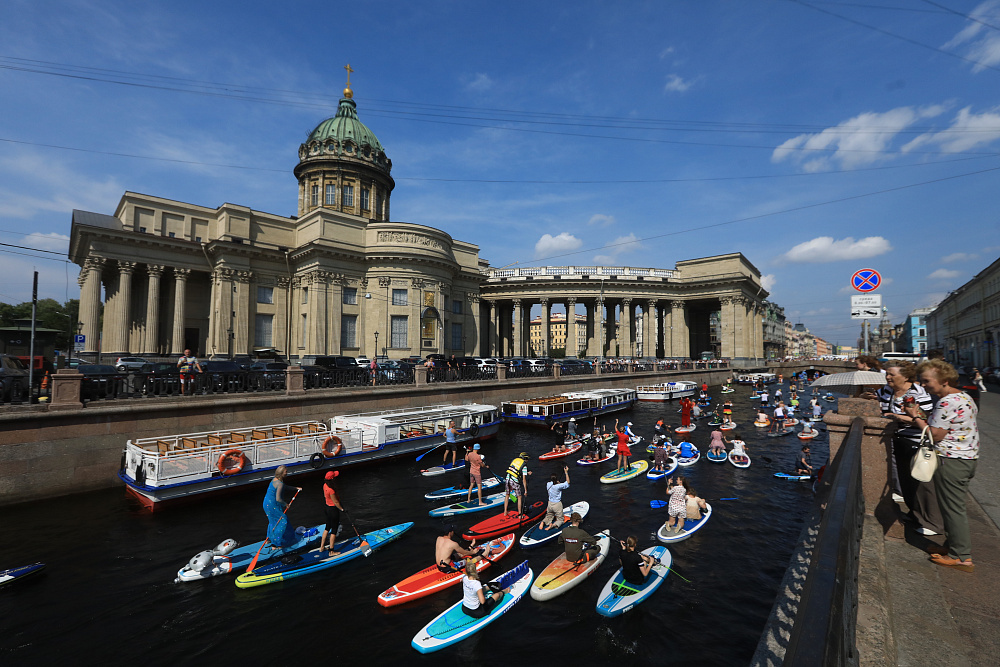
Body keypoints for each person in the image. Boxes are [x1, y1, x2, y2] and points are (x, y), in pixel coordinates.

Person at [904, 359, 979, 572]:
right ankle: (953, 546)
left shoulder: (947, 402)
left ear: (944, 380)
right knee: (952, 506)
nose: (923, 384)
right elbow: (949, 425)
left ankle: (962, 557)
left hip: (951, 459)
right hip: (967, 457)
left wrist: (914, 416)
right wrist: (923, 416)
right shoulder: (964, 396)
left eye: (926, 381)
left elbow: (935, 434)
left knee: (953, 509)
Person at [876, 361, 943, 534]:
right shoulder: (886, 391)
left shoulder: (918, 392)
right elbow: (879, 407)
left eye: (892, 374)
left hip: (915, 442)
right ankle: (915, 516)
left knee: (922, 483)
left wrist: (897, 417)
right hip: (897, 440)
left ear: (906, 376)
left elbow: (925, 418)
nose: (888, 377)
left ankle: (932, 523)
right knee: (906, 482)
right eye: (887, 373)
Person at [263, 465, 301, 548]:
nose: (287, 473)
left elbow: (284, 487)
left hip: (266, 503)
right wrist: (286, 504)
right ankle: (276, 544)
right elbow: (278, 499)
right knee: (282, 521)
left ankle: (268, 539)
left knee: (273, 521)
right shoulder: (279, 483)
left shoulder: (275, 480)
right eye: (285, 472)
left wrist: (295, 488)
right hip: (273, 504)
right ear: (281, 473)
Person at [319, 470, 344, 554]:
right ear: (332, 479)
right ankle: (331, 551)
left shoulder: (324, 485)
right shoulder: (331, 490)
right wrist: (342, 509)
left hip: (327, 508)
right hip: (333, 510)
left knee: (327, 527)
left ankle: (322, 547)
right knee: (334, 530)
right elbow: (335, 502)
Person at [540, 466, 570, 531]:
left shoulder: (548, 484)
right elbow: (568, 483)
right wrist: (566, 472)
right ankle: (552, 525)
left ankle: (543, 522)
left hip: (550, 504)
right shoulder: (558, 486)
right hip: (557, 504)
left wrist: (556, 482)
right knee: (560, 519)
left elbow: (553, 484)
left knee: (549, 516)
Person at [502, 452, 531, 516]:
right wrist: (526, 490)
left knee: (507, 495)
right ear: (525, 458)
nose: (527, 461)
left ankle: (505, 512)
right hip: (514, 481)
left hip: (507, 479)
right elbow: (524, 480)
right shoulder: (524, 465)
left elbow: (515, 470)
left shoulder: (514, 460)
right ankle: (520, 514)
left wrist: (527, 473)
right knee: (519, 497)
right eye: (527, 459)